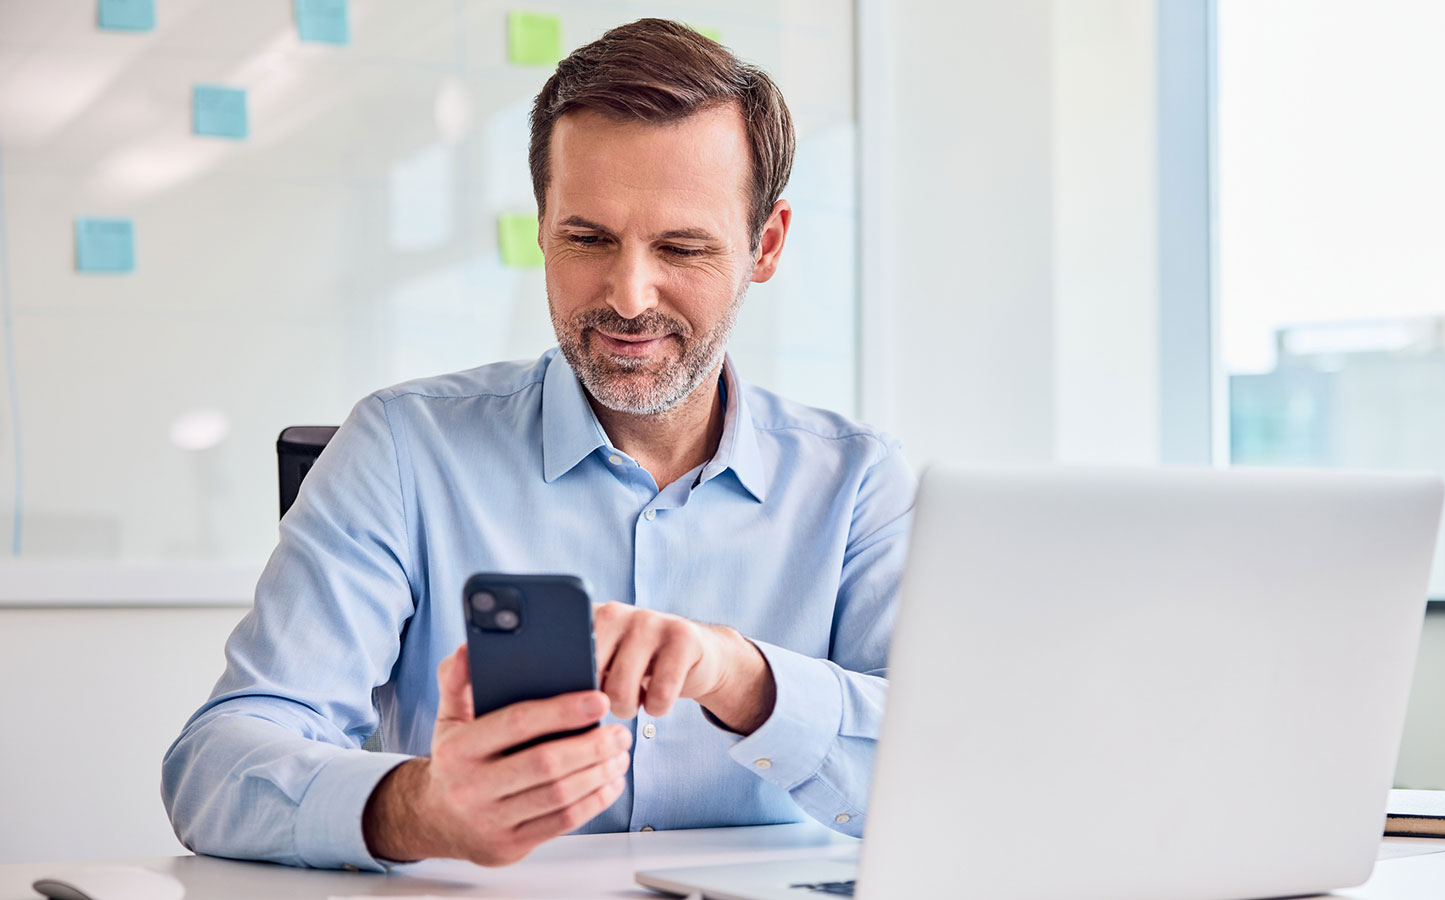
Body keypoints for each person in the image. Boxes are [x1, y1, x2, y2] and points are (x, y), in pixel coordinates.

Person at [160, 18, 914, 871]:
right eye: (587, 239)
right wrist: (417, 808)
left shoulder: (859, 482)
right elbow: (216, 764)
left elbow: (947, 775)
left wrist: (743, 679)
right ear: (544, 224)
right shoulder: (403, 451)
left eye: (682, 247)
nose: (629, 298)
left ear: (764, 246)